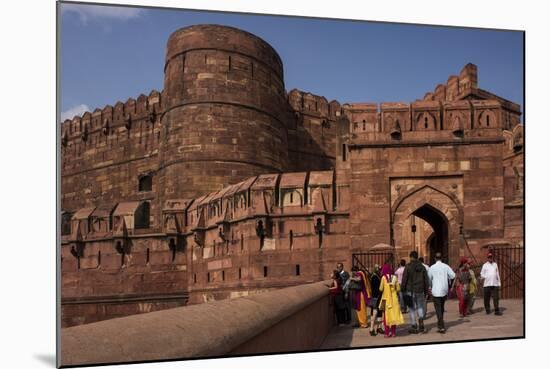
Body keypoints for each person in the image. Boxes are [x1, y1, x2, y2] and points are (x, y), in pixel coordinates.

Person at [401, 250, 430, 333]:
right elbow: (426, 280)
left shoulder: (408, 266)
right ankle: (421, 322)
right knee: (420, 306)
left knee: (411, 308)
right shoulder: (422, 267)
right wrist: (426, 291)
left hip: (410, 290)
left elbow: (404, 279)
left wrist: (403, 289)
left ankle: (414, 325)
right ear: (417, 257)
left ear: (410, 257)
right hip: (420, 290)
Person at [428, 252, 456, 333]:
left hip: (436, 290)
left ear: (435, 258)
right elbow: (453, 276)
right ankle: (440, 322)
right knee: (441, 307)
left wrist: (429, 287)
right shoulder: (446, 266)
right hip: (444, 290)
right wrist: (450, 286)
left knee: (438, 309)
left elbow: (429, 279)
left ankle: (441, 325)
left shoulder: (432, 268)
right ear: (442, 258)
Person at [379, 263, 405, 337]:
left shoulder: (383, 278)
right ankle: (393, 333)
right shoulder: (394, 277)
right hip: (394, 299)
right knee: (394, 316)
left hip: (385, 299)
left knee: (386, 317)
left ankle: (387, 333)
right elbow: (398, 289)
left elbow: (380, 288)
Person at [368, 265, 384, 336]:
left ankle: (379, 327)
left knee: (379, 313)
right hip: (376, 297)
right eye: (379, 269)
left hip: (378, 297)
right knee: (374, 313)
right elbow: (376, 288)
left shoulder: (377, 276)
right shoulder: (374, 277)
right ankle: (371, 329)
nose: (380, 271)